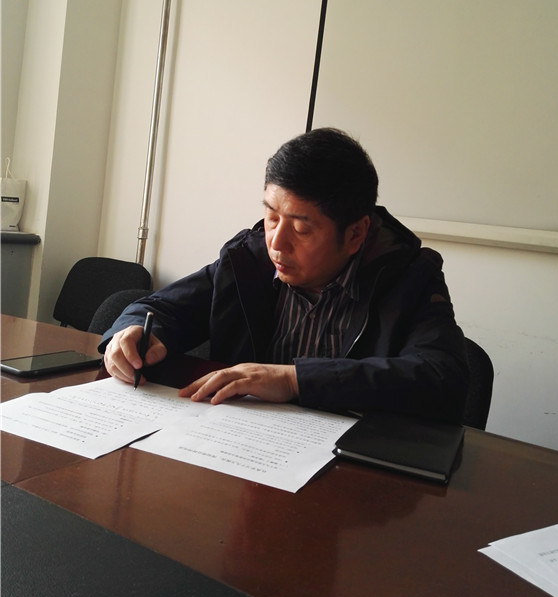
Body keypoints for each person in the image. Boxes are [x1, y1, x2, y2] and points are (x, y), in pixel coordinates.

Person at [100, 128, 469, 422]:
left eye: (301, 229)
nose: (276, 242)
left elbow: (442, 377)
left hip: (349, 466)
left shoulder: (408, 277)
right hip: (237, 446)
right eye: (271, 216)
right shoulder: (247, 260)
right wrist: (130, 332)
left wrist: (294, 380)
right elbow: (159, 308)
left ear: (355, 234)